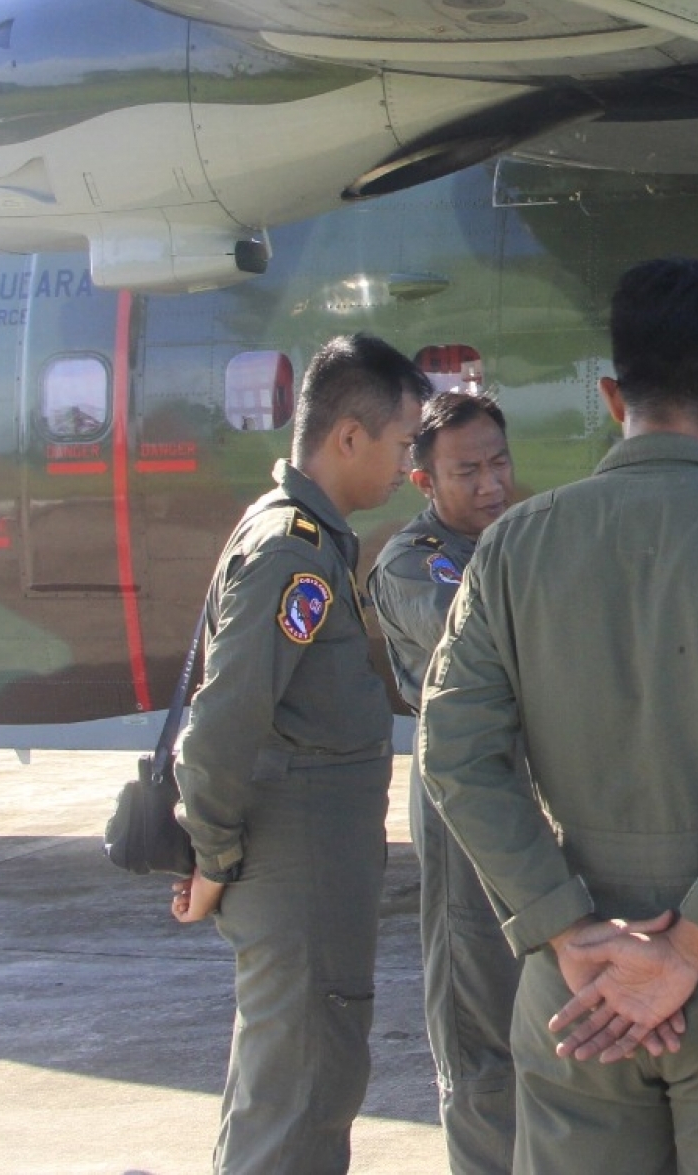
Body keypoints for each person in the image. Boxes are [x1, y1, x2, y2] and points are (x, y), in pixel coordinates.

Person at [421, 257, 698, 1175]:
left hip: (579, 987)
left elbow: (454, 753)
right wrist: (691, 945)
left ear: (612, 395)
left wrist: (565, 929)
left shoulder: (511, 547)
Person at [168, 332, 428, 1175]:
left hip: (310, 870)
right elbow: (221, 724)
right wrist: (212, 856)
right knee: (300, 1095)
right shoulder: (294, 552)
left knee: (290, 1085)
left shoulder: (301, 536)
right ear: (349, 436)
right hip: (299, 872)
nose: (408, 466)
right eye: (402, 443)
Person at [365, 389, 521, 1175]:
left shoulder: (518, 540)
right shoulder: (413, 562)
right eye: (468, 471)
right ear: (425, 481)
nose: (492, 483)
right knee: (478, 1019)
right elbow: (492, 647)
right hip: (465, 802)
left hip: (533, 793)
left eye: (499, 462)